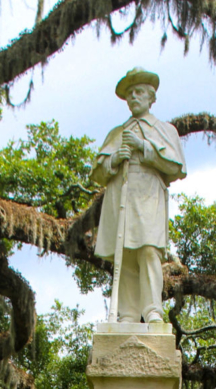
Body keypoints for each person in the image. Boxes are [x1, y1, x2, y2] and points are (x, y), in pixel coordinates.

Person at [92, 68, 186, 323]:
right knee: (125, 252)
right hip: (121, 194)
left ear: (151, 97)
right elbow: (98, 173)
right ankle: (129, 313)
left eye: (139, 92)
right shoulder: (116, 132)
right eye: (130, 93)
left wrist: (143, 147)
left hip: (149, 194)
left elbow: (177, 167)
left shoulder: (163, 130)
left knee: (147, 250)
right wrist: (114, 159)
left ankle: (152, 309)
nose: (134, 97)